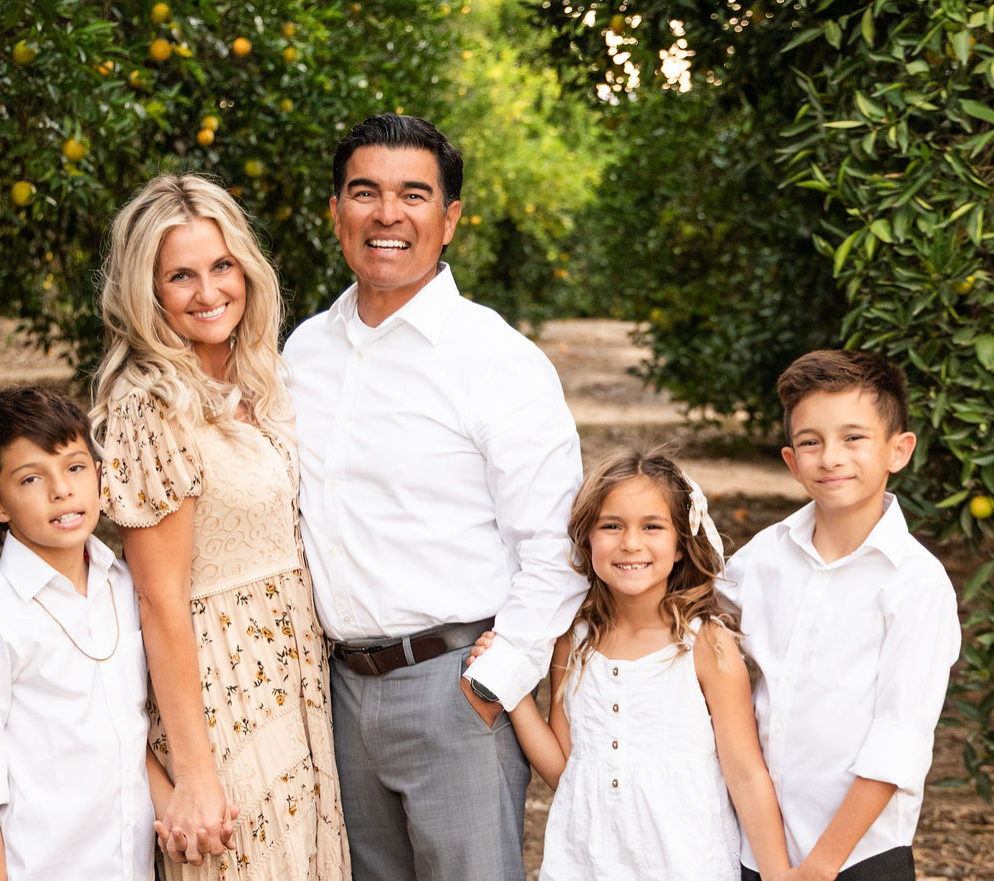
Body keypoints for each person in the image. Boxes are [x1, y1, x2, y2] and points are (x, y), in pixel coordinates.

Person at [283, 113, 587, 881]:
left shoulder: (497, 361)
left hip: (453, 687)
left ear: (448, 218)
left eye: (413, 195)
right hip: (337, 693)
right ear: (336, 211)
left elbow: (555, 545)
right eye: (365, 193)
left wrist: (492, 685)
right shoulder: (301, 351)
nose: (387, 214)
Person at [91, 174, 350, 881]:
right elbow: (159, 599)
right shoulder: (148, 405)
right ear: (148, 291)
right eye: (180, 275)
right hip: (222, 690)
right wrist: (195, 771)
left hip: (295, 683)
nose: (207, 292)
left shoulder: (260, 382)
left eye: (221, 266)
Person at [471, 450, 791, 880]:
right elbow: (566, 768)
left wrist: (778, 873)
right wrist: (513, 694)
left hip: (685, 863)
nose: (631, 543)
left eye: (652, 527)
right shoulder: (576, 639)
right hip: (585, 863)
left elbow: (746, 774)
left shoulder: (704, 644)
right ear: (588, 539)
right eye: (612, 526)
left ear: (680, 545)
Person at [724, 350, 961, 881]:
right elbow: (690, 619)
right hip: (758, 849)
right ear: (791, 460)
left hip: (859, 857)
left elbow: (899, 738)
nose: (831, 457)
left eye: (853, 438)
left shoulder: (916, 584)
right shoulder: (764, 556)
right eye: (811, 442)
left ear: (898, 451)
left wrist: (823, 865)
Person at [0, 385, 165, 881]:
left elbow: (130, 732)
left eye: (75, 467)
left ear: (99, 475)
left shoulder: (122, 583)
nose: (61, 490)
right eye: (31, 478)